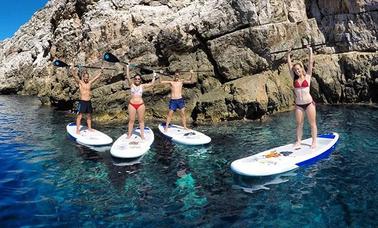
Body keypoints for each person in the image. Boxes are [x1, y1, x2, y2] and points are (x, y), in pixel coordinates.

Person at [287, 45, 317, 149]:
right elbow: (289, 65)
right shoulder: (294, 78)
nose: (296, 71)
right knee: (299, 124)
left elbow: (310, 63)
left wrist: (310, 50)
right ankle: (299, 141)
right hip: (299, 105)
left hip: (309, 104)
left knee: (312, 124)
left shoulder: (308, 76)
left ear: (301, 69)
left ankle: (314, 142)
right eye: (295, 70)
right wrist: (288, 54)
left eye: (298, 69)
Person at [125, 65, 156, 140]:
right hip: (132, 105)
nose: (137, 80)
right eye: (136, 79)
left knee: (141, 120)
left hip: (141, 105)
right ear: (134, 79)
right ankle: (129, 134)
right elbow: (128, 76)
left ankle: (142, 135)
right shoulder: (131, 85)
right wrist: (128, 67)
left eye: (138, 79)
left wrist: (154, 75)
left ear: (140, 80)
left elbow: (152, 84)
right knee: (131, 120)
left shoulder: (142, 86)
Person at [69, 67, 104, 135]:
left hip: (88, 101)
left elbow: (97, 77)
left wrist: (101, 71)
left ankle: (89, 128)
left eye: (87, 77)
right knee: (80, 116)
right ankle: (77, 130)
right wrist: (72, 70)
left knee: (89, 115)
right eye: (85, 77)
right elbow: (74, 76)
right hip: (82, 102)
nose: (86, 78)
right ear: (83, 77)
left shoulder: (89, 83)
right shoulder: (80, 83)